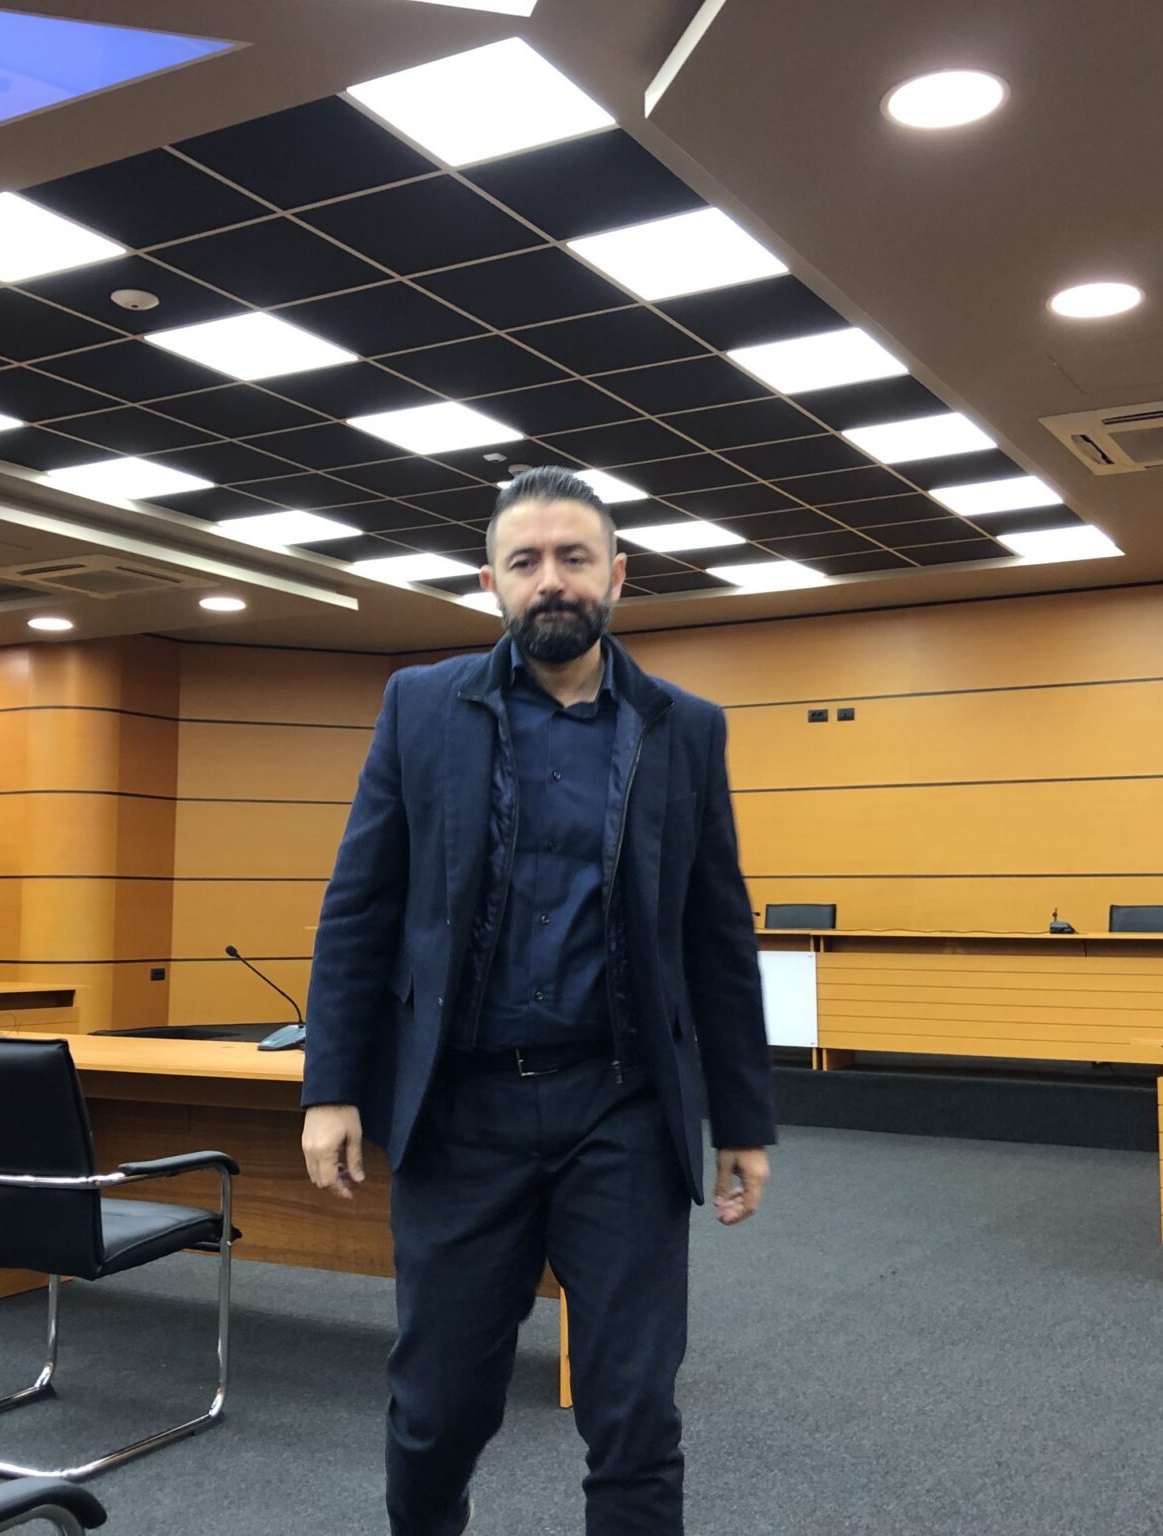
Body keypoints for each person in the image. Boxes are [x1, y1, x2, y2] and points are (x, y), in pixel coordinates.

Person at [299, 466, 776, 1536]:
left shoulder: (684, 728)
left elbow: (715, 934)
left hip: (622, 1110)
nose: (551, 580)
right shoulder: (421, 708)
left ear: (617, 573)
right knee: (438, 1409)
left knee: (635, 1414)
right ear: (491, 582)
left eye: (573, 558)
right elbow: (360, 906)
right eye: (525, 562)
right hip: (459, 1114)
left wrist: (742, 1118)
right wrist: (330, 1086)